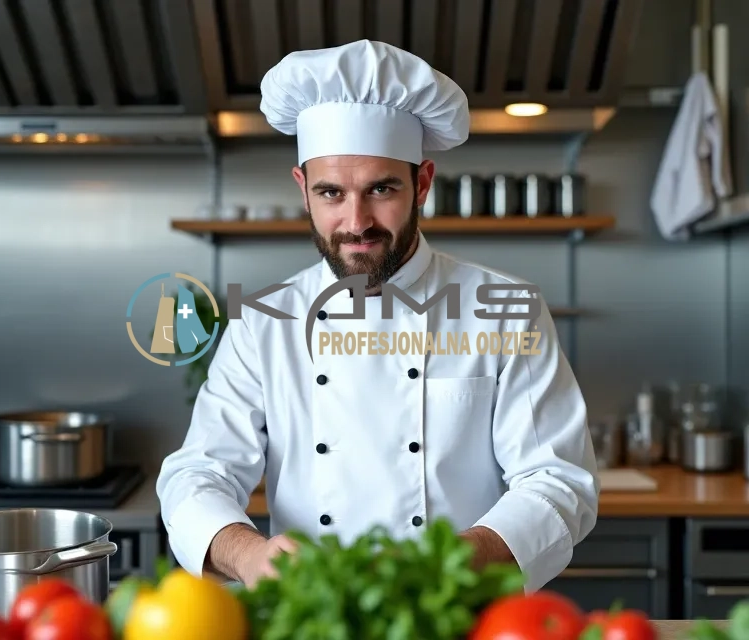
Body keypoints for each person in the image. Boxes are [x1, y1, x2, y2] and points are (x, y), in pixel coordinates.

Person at [156, 40, 599, 593]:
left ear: (422, 184)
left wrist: (444, 565)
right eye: (331, 193)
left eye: (381, 189)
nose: (355, 221)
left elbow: (556, 482)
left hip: (454, 613)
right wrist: (249, 557)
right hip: (314, 617)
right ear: (303, 189)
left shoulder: (506, 311)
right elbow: (198, 473)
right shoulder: (263, 321)